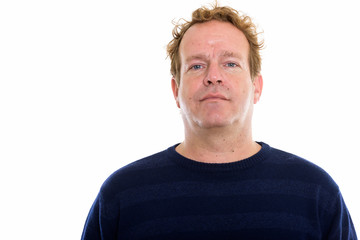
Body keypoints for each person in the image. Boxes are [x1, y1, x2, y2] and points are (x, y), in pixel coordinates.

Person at [81, 3, 357, 240]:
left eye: (230, 64)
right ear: (176, 90)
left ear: (257, 86)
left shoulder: (316, 193)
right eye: (197, 65)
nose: (214, 76)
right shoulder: (122, 195)